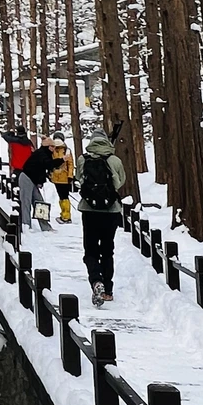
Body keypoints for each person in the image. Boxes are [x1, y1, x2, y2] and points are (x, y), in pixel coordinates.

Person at [78, 130, 132, 306]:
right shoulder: (115, 160)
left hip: (89, 210)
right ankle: (108, 290)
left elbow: (79, 178)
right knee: (107, 251)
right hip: (111, 210)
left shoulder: (83, 159)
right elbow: (120, 181)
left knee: (90, 250)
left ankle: (96, 280)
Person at [21, 135, 56, 226]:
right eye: (52, 146)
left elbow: (40, 169)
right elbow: (48, 164)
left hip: (33, 180)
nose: (54, 148)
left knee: (39, 202)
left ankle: (45, 226)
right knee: (26, 202)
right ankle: (26, 225)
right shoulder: (41, 154)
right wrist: (62, 160)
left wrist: (41, 181)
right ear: (48, 146)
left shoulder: (44, 154)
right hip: (26, 178)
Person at [50, 131, 75, 223]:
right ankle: (65, 215)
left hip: (57, 177)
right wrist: (70, 175)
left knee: (63, 197)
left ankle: (66, 216)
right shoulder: (66, 150)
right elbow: (70, 164)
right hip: (64, 177)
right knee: (64, 197)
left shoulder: (52, 149)